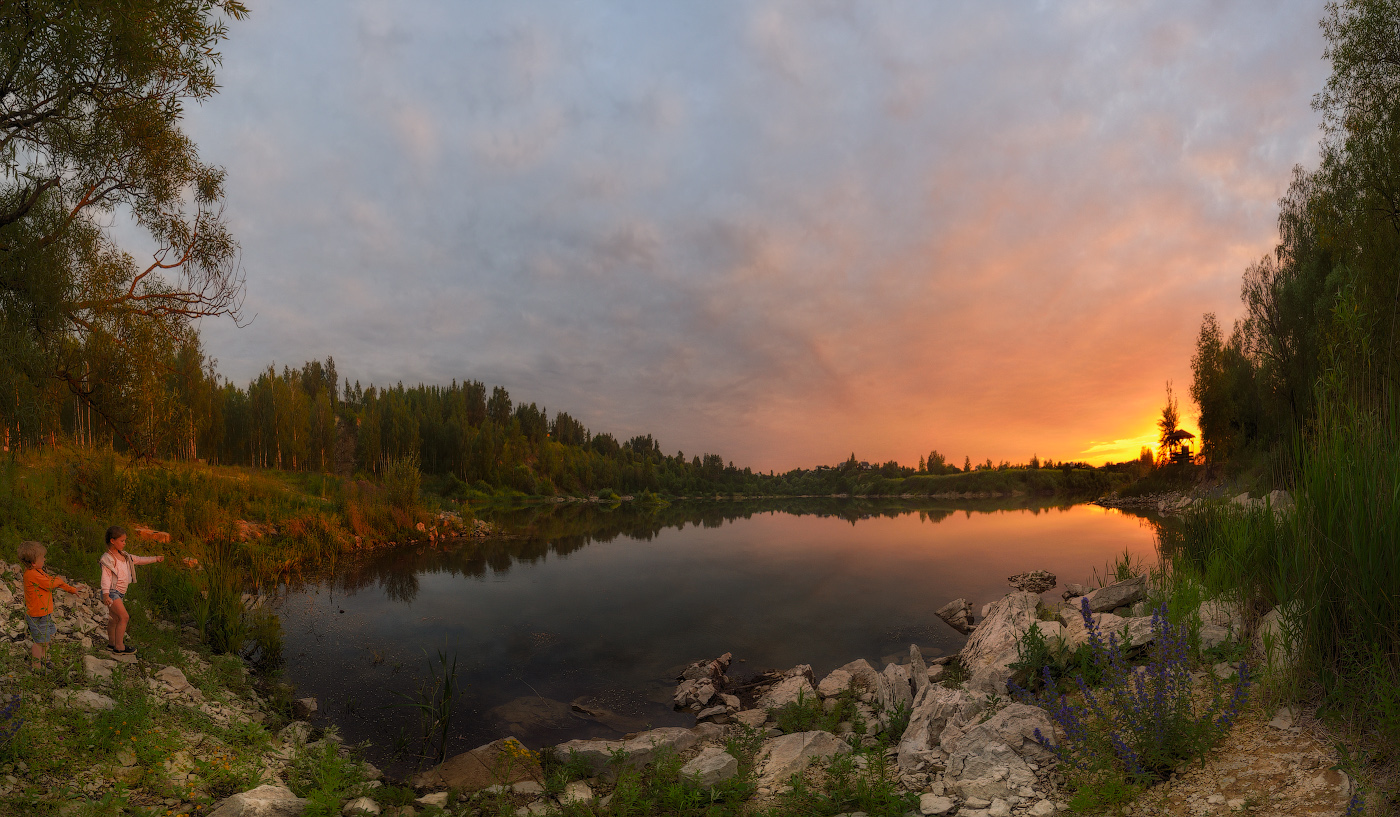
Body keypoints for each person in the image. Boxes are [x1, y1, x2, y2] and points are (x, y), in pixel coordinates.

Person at [99, 526, 164, 654]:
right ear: (113, 541)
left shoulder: (125, 556)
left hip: (120, 593)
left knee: (114, 618)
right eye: (122, 541)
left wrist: (155, 558)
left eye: (125, 541)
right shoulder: (107, 558)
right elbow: (105, 578)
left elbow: (139, 559)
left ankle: (111, 644)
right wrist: (106, 595)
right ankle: (119, 647)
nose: (124, 543)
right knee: (124, 617)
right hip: (112, 592)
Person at [18, 541, 78, 672]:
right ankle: (36, 667)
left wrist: (72, 589)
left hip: (45, 613)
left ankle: (44, 659)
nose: (44, 559)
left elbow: (53, 581)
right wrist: (58, 581)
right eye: (42, 558)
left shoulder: (38, 571)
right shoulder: (32, 574)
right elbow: (51, 584)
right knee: (39, 642)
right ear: (33, 562)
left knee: (46, 639)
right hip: (37, 615)